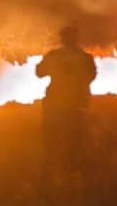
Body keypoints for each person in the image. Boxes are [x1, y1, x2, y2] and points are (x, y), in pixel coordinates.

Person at [36, 24, 97, 172]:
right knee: (73, 140)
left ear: (62, 39)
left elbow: (39, 72)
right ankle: (68, 169)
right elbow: (91, 76)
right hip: (76, 103)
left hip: (55, 102)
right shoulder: (85, 57)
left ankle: (50, 169)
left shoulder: (54, 56)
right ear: (77, 39)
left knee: (52, 138)